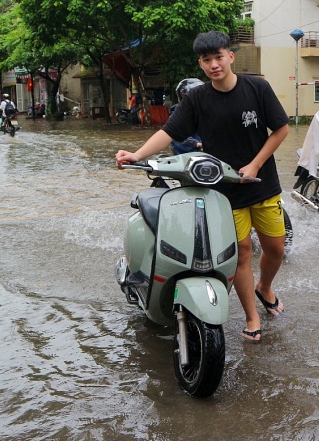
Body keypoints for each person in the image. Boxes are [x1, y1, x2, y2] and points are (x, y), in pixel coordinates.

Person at [116, 31, 289, 343]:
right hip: (223, 192)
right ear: (200, 63)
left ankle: (265, 286)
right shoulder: (198, 99)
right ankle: (251, 315)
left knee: (276, 247)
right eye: (207, 60)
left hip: (262, 184)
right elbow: (169, 132)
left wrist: (255, 164)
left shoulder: (257, 87)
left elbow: (281, 129)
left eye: (219, 57)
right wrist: (137, 155)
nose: (214, 64)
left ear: (230, 56)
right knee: (242, 253)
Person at [169, 78, 204, 155]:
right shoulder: (177, 116)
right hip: (185, 156)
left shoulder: (204, 113)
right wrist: (196, 144)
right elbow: (177, 137)